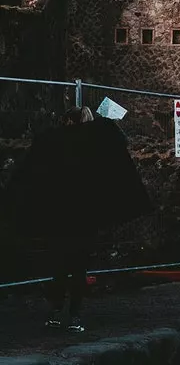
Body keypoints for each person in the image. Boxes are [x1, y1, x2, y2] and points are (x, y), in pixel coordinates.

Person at [5, 106, 150, 333]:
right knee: (74, 267)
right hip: (80, 219)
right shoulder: (91, 148)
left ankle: (60, 312)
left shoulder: (57, 145)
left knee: (62, 267)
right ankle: (71, 314)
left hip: (65, 218)